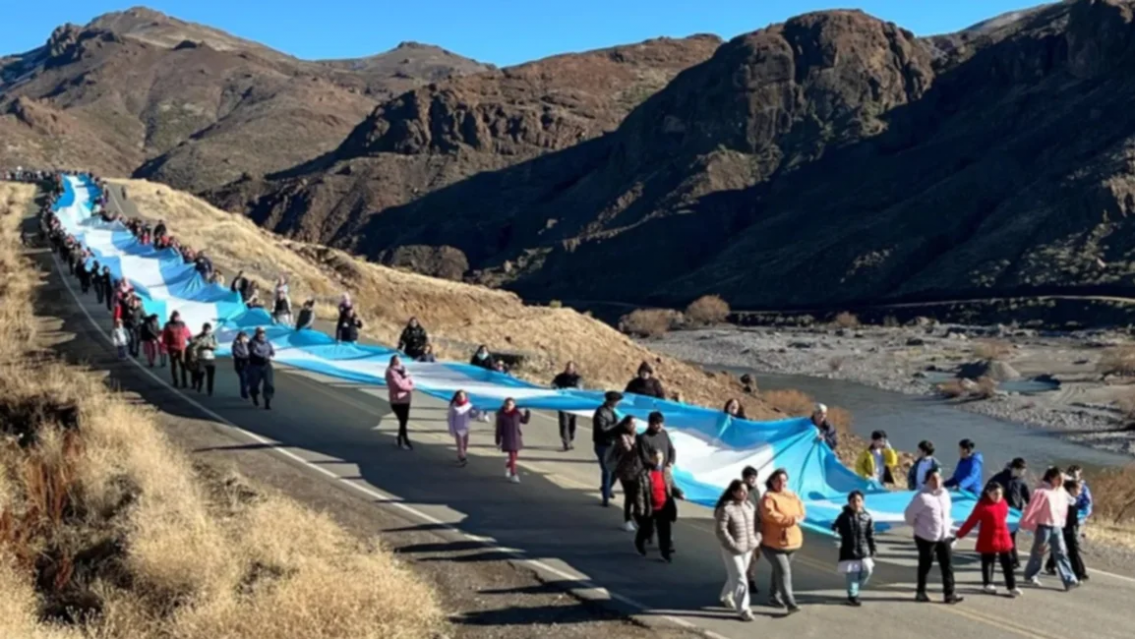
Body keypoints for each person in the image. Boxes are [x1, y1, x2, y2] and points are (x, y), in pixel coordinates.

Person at [904, 467, 963, 604]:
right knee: (925, 565)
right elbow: (909, 516)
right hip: (926, 537)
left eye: (938, 478)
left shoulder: (945, 494)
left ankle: (950, 594)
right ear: (927, 480)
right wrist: (920, 527)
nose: (936, 481)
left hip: (944, 536)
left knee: (947, 565)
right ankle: (921, 592)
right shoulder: (922, 497)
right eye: (932, 479)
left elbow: (947, 514)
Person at [956, 482, 1019, 597]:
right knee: (988, 561)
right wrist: (959, 534)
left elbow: (1004, 517)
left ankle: (1012, 586)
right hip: (988, 536)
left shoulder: (1004, 503)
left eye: (1000, 494)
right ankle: (988, 583)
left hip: (1003, 536)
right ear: (988, 493)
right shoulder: (982, 506)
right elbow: (971, 521)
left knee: (1007, 562)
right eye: (995, 494)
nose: (998, 496)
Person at [1020, 467, 1078, 590]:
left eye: (1062, 479)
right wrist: (1026, 523)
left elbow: (1071, 501)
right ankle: (1031, 575)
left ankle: (1069, 579)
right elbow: (1032, 508)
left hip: (1057, 526)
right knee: (1038, 552)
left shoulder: (1061, 491)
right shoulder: (1042, 492)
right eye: (1058, 479)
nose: (1061, 482)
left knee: (1061, 552)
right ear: (1051, 478)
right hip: (1043, 527)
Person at [760, 468, 805, 614]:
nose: (782, 483)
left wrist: (797, 518)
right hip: (773, 543)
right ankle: (790, 603)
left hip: (792, 542)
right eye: (778, 480)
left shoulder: (792, 495)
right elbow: (771, 516)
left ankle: (773, 596)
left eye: (784, 480)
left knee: (778, 570)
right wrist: (791, 519)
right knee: (784, 572)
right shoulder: (768, 497)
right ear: (772, 481)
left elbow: (801, 511)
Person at [714, 480, 758, 622]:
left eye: (746, 491)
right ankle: (744, 609)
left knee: (737, 575)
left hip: (747, 547)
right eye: (740, 491)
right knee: (740, 577)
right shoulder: (726, 508)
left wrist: (756, 539)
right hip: (732, 549)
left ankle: (726, 595)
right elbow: (721, 530)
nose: (744, 494)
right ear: (733, 492)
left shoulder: (749, 506)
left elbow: (754, 525)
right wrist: (732, 544)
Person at [633, 449, 683, 562]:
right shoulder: (644, 474)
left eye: (660, 458)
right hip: (649, 508)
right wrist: (640, 509)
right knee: (646, 529)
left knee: (664, 531)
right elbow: (639, 494)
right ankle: (639, 543)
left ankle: (665, 553)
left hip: (664, 507)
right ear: (651, 459)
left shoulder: (665, 473)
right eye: (656, 458)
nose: (658, 461)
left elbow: (671, 487)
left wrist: (679, 493)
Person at [832, 490, 876, 606]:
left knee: (867, 571)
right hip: (849, 551)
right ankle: (852, 596)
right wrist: (835, 529)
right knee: (852, 575)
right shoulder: (843, 516)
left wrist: (873, 549)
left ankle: (854, 590)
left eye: (858, 500)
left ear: (863, 502)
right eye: (853, 501)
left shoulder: (867, 517)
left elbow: (870, 535)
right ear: (849, 503)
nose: (856, 503)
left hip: (864, 551)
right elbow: (835, 527)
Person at [1048, 466, 1092, 577]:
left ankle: (1077, 571)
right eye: (1073, 473)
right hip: (1064, 524)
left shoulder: (1081, 488)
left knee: (1068, 547)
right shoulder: (1063, 491)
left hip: (1074, 522)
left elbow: (1087, 504)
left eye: (1077, 473)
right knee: (1066, 547)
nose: (1079, 491)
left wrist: (1082, 515)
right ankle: (1078, 572)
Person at [991, 457, 1031, 568]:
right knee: (1006, 536)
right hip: (1001, 512)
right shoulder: (1000, 478)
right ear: (1015, 468)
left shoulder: (1021, 480)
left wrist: (1031, 510)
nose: (1023, 472)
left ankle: (1012, 559)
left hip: (1015, 514)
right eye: (1022, 470)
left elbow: (1027, 496)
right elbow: (988, 490)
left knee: (1010, 536)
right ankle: (1012, 559)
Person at [592, 391, 623, 507]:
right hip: (602, 445)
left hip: (613, 444)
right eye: (617, 401)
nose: (619, 403)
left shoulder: (613, 412)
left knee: (617, 469)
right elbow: (603, 429)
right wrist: (617, 425)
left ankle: (607, 487)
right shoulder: (601, 412)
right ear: (612, 401)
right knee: (607, 471)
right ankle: (605, 497)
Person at [612, 416, 642, 532]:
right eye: (631, 424)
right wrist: (637, 445)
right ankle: (627, 520)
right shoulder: (622, 437)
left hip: (637, 469)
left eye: (635, 424)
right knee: (630, 495)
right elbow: (628, 453)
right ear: (626, 425)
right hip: (626, 470)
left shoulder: (637, 435)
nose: (634, 426)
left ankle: (636, 516)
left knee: (638, 495)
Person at [495, 398, 530, 483]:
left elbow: (524, 421)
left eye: (510, 404)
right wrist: (498, 441)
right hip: (507, 438)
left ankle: (508, 465)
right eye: (507, 404)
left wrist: (528, 412)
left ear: (514, 405)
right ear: (504, 404)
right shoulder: (502, 415)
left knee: (514, 457)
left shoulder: (517, 413)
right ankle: (513, 474)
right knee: (513, 456)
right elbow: (498, 429)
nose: (508, 406)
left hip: (516, 437)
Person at [741, 466, 763, 595]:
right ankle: (749, 579)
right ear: (744, 478)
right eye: (750, 477)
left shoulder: (755, 491)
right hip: (744, 528)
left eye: (754, 477)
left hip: (756, 527)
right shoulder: (740, 491)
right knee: (746, 556)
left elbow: (758, 507)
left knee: (754, 556)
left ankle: (749, 576)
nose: (753, 480)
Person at [385, 355, 415, 450]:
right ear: (392, 361)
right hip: (396, 400)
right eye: (396, 360)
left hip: (406, 399)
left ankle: (400, 439)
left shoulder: (405, 370)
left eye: (399, 360)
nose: (398, 362)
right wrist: (409, 387)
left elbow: (411, 381)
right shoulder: (390, 372)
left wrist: (409, 383)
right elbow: (398, 385)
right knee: (402, 420)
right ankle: (405, 440)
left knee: (404, 421)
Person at [1061, 479, 1089, 582]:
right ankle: (1079, 573)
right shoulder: (1066, 501)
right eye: (1079, 489)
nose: (1080, 492)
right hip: (1066, 529)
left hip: (1071, 529)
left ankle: (1080, 572)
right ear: (1071, 489)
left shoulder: (1072, 500)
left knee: (1068, 550)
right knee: (1072, 551)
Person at [551, 362, 583, 451]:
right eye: (567, 367)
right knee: (564, 424)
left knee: (572, 424)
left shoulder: (578, 378)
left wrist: (571, 390)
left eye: (571, 368)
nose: (569, 369)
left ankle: (570, 439)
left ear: (574, 369)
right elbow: (553, 385)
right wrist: (556, 388)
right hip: (562, 404)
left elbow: (579, 389)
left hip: (573, 404)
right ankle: (566, 442)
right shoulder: (559, 377)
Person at [447, 390, 483, 466]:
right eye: (459, 396)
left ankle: (461, 456)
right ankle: (463, 458)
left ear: (465, 397)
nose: (461, 398)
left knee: (465, 445)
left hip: (466, 428)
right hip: (458, 428)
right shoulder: (454, 406)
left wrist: (477, 412)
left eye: (462, 396)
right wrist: (451, 429)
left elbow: (472, 415)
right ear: (456, 397)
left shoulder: (469, 405)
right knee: (460, 445)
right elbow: (451, 418)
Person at [161, 311, 192, 388]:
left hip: (182, 348)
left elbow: (187, 333)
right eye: (176, 317)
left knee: (183, 364)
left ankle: (184, 382)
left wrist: (191, 340)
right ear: (172, 317)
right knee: (174, 365)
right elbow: (165, 337)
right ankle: (175, 381)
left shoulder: (182, 324)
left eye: (178, 317)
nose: (177, 318)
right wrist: (164, 347)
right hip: (172, 348)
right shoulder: (168, 325)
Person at [247, 327, 276, 410]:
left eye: (263, 332)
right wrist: (263, 357)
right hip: (255, 365)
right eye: (259, 332)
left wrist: (272, 353)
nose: (261, 334)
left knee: (269, 384)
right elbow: (253, 352)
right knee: (254, 385)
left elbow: (271, 350)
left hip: (266, 365)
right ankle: (254, 396)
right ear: (256, 333)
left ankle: (267, 402)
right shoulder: (252, 342)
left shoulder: (267, 342)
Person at [190, 323, 217, 396]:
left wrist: (212, 346)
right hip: (201, 358)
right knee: (200, 373)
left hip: (210, 358)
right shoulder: (198, 337)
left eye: (208, 330)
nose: (207, 331)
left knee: (210, 376)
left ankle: (210, 390)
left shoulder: (212, 337)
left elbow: (217, 346)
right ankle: (199, 383)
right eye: (205, 329)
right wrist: (194, 355)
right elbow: (193, 347)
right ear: (203, 329)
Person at [231, 331, 251, 400]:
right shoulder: (236, 345)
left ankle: (246, 390)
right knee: (243, 378)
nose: (243, 339)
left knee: (249, 379)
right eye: (241, 337)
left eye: (244, 337)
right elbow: (235, 354)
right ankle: (244, 394)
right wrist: (244, 357)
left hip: (248, 364)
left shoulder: (248, 344)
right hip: (240, 365)